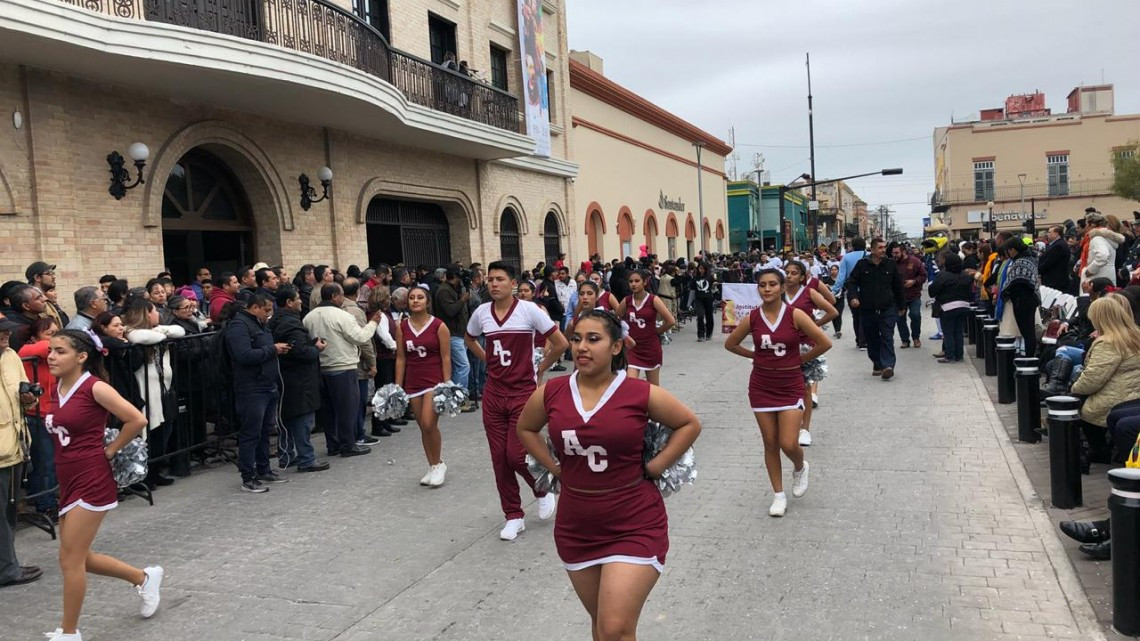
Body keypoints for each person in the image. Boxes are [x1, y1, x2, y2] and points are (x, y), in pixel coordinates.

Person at [516, 309, 701, 641]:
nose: (582, 347)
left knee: (615, 627)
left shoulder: (638, 392)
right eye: (576, 339)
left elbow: (689, 423)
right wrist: (554, 467)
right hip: (576, 526)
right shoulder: (552, 391)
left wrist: (656, 466)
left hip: (634, 522)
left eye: (593, 339)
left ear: (616, 347)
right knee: (602, 627)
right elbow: (525, 428)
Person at [44, 329, 163, 640]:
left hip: (91, 479)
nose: (51, 356)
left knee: (71, 561)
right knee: (77, 557)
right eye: (50, 350)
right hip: (67, 478)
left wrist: (110, 450)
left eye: (60, 351)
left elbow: (136, 419)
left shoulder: (94, 387)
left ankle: (69, 632)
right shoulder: (58, 386)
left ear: (81, 357)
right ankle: (144, 578)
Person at [465, 261, 569, 541]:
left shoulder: (529, 310)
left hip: (523, 392)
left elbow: (561, 343)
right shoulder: (481, 313)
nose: (493, 284)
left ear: (512, 284)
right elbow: (469, 339)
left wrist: (540, 368)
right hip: (494, 394)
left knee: (516, 454)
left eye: (499, 279)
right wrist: (487, 359)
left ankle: (541, 489)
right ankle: (513, 515)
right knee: (499, 459)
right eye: (490, 279)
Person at [725, 268, 831, 517]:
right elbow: (731, 343)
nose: (767, 289)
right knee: (770, 442)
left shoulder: (795, 315)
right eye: (762, 285)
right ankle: (778, 495)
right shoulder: (753, 317)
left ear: (782, 287)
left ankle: (800, 466)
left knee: (788, 442)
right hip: (761, 386)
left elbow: (824, 343)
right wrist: (755, 356)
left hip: (790, 385)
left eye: (773, 284)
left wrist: (800, 359)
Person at [222, 292, 290, 493]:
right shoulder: (239, 326)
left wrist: (276, 350)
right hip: (251, 387)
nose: (269, 314)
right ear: (254, 308)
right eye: (266, 310)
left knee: (264, 431)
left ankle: (264, 469)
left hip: (267, 384)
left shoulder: (260, 324)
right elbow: (243, 355)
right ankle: (248, 476)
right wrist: (273, 350)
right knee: (251, 432)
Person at [304, 283, 380, 458]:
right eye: (341, 295)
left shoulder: (309, 317)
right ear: (334, 296)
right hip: (342, 366)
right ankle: (348, 444)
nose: (343, 298)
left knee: (329, 410)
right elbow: (360, 337)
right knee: (347, 409)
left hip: (321, 367)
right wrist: (373, 324)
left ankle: (333, 444)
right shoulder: (342, 316)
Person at [121, 298, 185, 488]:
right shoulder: (131, 331)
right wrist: (161, 333)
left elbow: (179, 331)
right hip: (145, 389)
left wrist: (161, 330)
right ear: (146, 314)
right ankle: (144, 475)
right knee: (148, 430)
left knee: (162, 430)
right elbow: (143, 337)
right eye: (154, 311)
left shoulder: (157, 331)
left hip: (162, 388)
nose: (158, 313)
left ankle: (155, 470)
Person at [1070, 295, 1140, 467]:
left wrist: (1074, 387)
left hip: (1119, 395)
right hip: (1131, 390)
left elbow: (1092, 380)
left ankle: (1097, 450)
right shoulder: (1134, 334)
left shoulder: (1109, 343)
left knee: (1081, 404)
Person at [0, 315, 43, 590]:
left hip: (15, 444)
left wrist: (29, 398)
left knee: (9, 510)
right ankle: (7, 569)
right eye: (1, 332)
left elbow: (23, 394)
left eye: (7, 331)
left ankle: (7, 564)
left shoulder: (11, 356)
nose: (6, 335)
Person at [268, 285, 330, 473]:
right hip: (299, 380)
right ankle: (307, 458)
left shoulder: (275, 321)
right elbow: (302, 352)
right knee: (303, 420)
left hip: (284, 377)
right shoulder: (292, 324)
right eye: (297, 299)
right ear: (288, 302)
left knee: (286, 418)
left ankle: (286, 456)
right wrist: (316, 348)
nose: (300, 302)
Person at [395, 285, 449, 487]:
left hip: (434, 380)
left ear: (428, 302)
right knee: (423, 427)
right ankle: (433, 464)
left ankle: (439, 464)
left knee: (428, 423)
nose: (415, 301)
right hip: (413, 381)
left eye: (420, 297)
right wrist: (397, 387)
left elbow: (446, 357)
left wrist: (447, 384)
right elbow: (401, 358)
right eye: (412, 298)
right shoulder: (402, 327)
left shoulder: (439, 326)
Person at [781, 261, 837, 446]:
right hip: (782, 346)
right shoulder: (778, 293)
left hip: (805, 346)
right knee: (784, 387)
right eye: (787, 272)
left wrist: (813, 326)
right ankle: (790, 424)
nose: (789, 276)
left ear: (802, 277)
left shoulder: (809, 292)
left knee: (805, 387)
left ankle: (805, 429)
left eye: (794, 273)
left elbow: (832, 311)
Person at [18, 317, 61, 518]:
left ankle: (46, 498)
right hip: (35, 413)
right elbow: (45, 347)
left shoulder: (50, 354)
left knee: (49, 461)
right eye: (50, 333)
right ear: (34, 337)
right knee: (44, 462)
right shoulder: (28, 350)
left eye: (57, 332)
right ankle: (46, 504)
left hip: (50, 412)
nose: (55, 338)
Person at [848, 238, 905, 380]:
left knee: (887, 337)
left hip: (887, 308)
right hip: (868, 309)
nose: (883, 250)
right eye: (880, 247)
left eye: (884, 247)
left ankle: (888, 366)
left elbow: (898, 286)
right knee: (872, 338)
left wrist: (902, 305)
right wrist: (854, 297)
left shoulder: (890, 265)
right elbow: (851, 282)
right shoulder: (862, 265)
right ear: (872, 250)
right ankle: (877, 363)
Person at [613, 269, 675, 386]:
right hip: (632, 348)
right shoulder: (627, 301)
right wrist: (624, 334)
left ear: (645, 282)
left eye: (637, 281)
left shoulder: (653, 300)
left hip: (650, 348)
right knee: (631, 384)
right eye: (631, 281)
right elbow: (616, 319)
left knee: (653, 387)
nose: (633, 284)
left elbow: (670, 321)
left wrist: (656, 331)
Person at [434, 266, 476, 411]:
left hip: (460, 333)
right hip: (452, 334)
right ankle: (459, 400)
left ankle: (454, 398)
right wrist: (462, 300)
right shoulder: (444, 290)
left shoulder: (455, 288)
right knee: (463, 366)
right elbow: (450, 311)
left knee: (458, 367)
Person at [995, 237, 1040, 358]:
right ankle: (1029, 356)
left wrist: (1008, 293)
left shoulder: (1020, 262)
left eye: (1008, 251)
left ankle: (1029, 359)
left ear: (1012, 250)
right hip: (1029, 300)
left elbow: (1017, 282)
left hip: (1022, 301)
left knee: (1027, 332)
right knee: (1028, 332)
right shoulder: (1030, 258)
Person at [927, 253, 975, 363]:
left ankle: (949, 356)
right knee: (958, 331)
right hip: (964, 306)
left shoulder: (943, 275)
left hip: (948, 307)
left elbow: (932, 291)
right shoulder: (965, 276)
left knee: (948, 332)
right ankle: (959, 356)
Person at [831, 237, 868, 348]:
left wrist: (834, 291)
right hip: (868, 291)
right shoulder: (870, 255)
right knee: (865, 315)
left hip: (852, 291)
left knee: (856, 316)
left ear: (852, 246)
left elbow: (841, 277)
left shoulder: (846, 258)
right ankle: (863, 341)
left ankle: (858, 340)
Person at [891, 243, 927, 348]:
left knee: (915, 315)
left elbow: (923, 275)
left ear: (903, 251)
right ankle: (905, 339)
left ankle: (916, 337)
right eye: (893, 253)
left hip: (913, 295)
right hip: (898, 297)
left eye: (897, 253)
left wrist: (914, 281)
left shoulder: (915, 261)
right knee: (900, 318)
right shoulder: (892, 263)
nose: (895, 255)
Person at [1080, 211, 1124, 291]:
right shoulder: (1105, 237)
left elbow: (1103, 256)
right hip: (1104, 277)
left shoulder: (1097, 238)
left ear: (1092, 224)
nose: (1085, 227)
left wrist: (1090, 270)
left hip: (1097, 281)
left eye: (1086, 224)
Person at [1038, 225, 1072, 291]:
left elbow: (1049, 262)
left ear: (1056, 234)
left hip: (1055, 282)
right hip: (1053, 280)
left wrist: (1039, 269)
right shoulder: (1055, 244)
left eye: (1049, 232)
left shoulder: (1058, 246)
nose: (1047, 234)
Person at [691, 263, 715, 341]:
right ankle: (700, 335)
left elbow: (713, 286)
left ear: (705, 269)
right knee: (700, 316)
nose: (701, 270)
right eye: (700, 268)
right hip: (698, 299)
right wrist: (689, 303)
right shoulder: (695, 278)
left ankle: (709, 333)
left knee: (709, 316)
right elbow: (692, 290)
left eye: (702, 268)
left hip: (708, 298)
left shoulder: (710, 277)